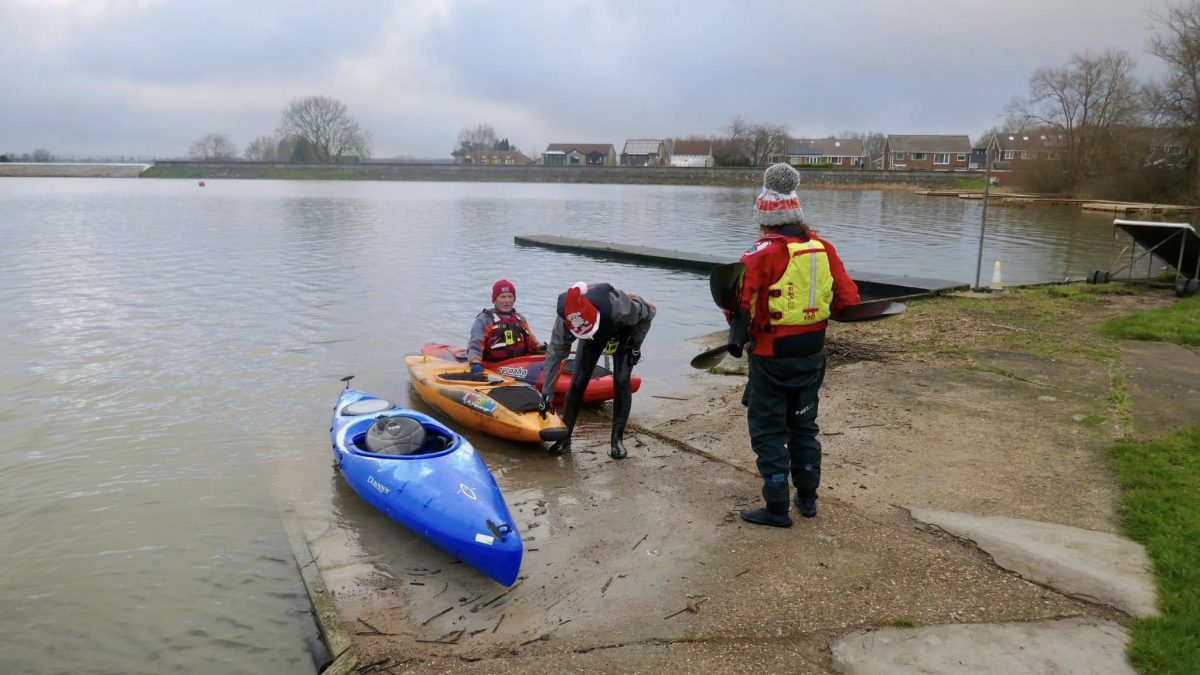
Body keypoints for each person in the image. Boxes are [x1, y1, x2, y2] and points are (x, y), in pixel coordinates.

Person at [728, 163, 860, 527]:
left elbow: (737, 306)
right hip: (812, 355)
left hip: (771, 358)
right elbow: (848, 300)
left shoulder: (759, 253)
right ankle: (808, 499)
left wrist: (738, 336)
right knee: (804, 426)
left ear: (765, 218)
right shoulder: (823, 247)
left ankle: (775, 508)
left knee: (769, 428)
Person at [538, 282, 655, 459]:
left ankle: (617, 440)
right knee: (577, 382)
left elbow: (650, 311)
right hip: (590, 336)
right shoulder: (565, 316)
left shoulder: (620, 308)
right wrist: (547, 395)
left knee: (622, 381)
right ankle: (565, 437)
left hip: (623, 333)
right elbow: (555, 353)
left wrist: (636, 345)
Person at [467, 279, 544, 375]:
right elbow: (475, 346)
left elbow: (532, 342)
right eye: (503, 297)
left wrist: (544, 348)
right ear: (495, 299)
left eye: (510, 297)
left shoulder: (520, 319)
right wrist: (475, 363)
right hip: (494, 365)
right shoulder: (485, 319)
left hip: (520, 364)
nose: (507, 301)